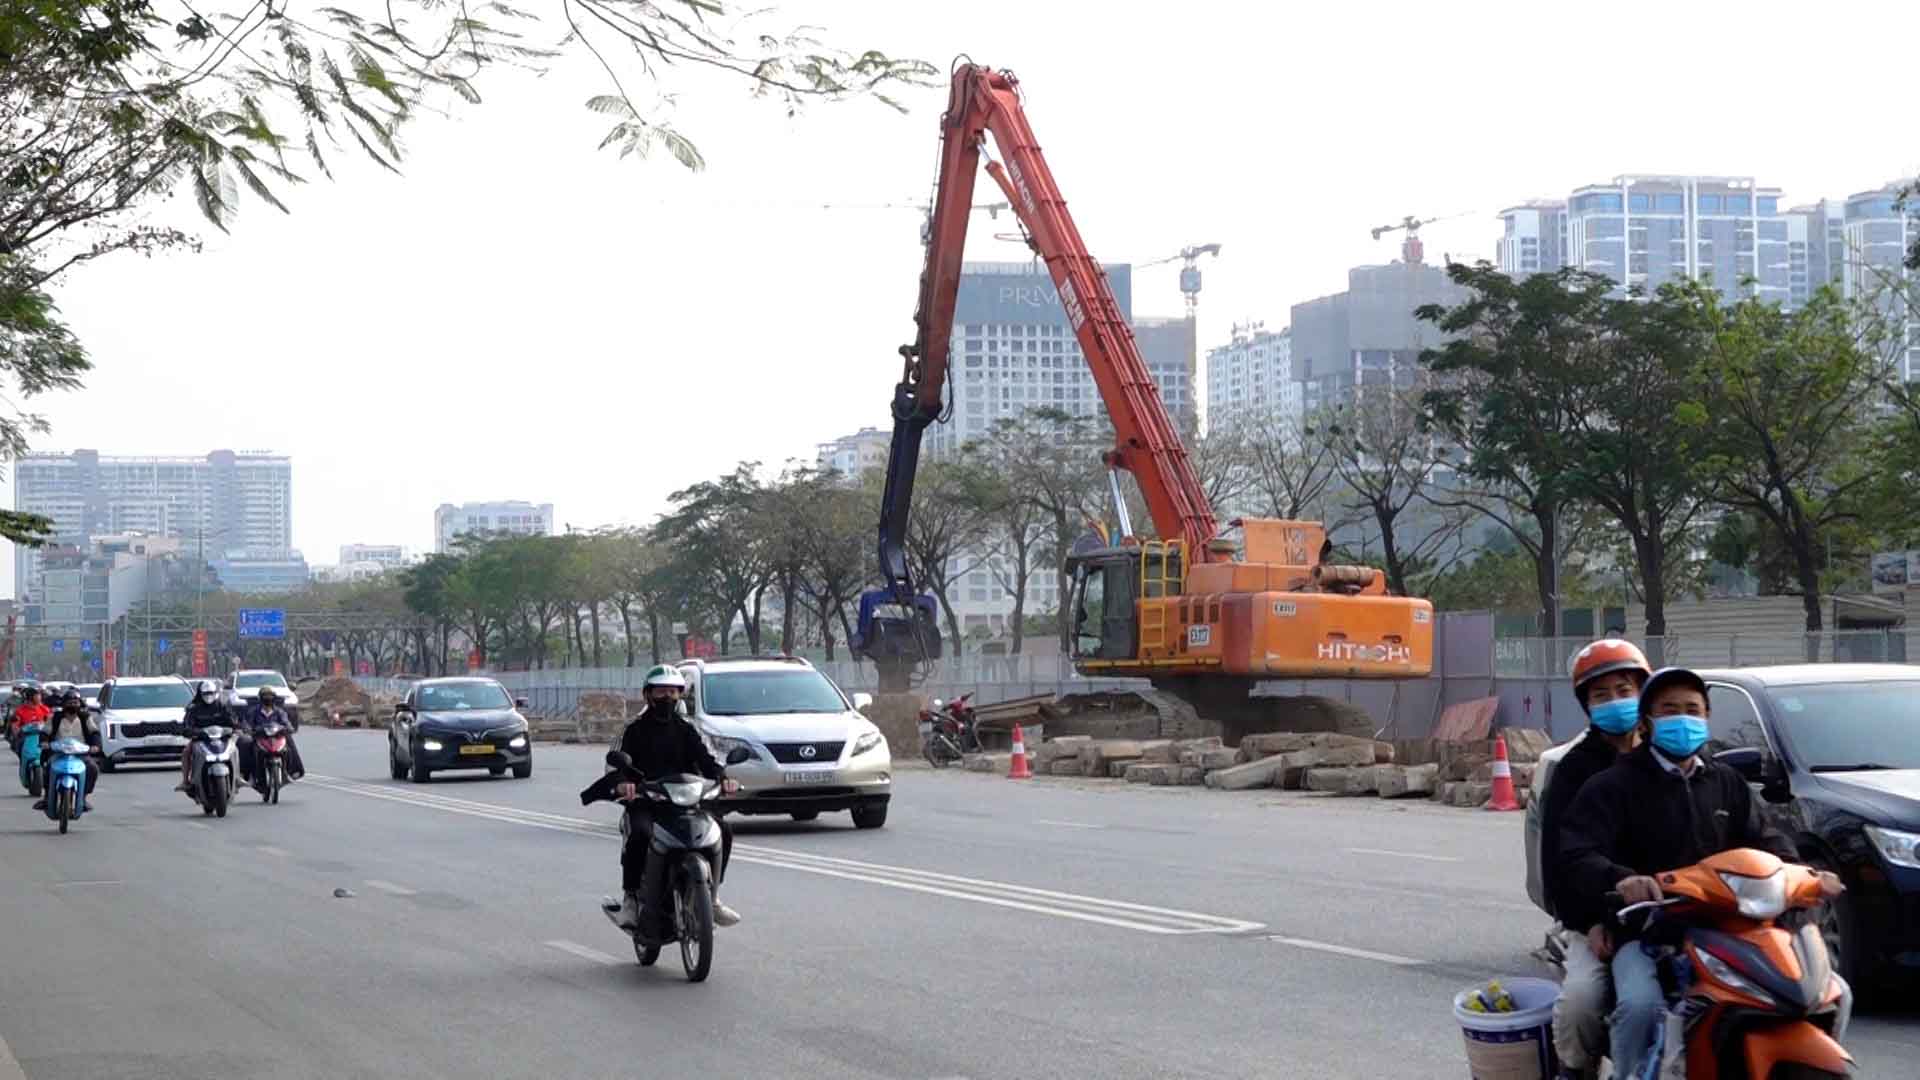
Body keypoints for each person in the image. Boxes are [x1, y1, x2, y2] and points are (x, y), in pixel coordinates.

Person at [1559, 667, 1843, 1077]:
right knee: (1641, 1008)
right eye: (1669, 709)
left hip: (1731, 928)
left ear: (1707, 717)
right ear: (1647, 721)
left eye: (1692, 709)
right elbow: (1578, 853)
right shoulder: (1613, 785)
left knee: (1824, 991)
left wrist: (1805, 875)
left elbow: (1768, 841)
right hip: (1648, 932)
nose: (1682, 718)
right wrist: (1621, 880)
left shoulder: (1727, 782)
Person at [1540, 639, 1652, 1079]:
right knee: (1583, 1002)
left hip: (1675, 912)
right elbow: (1559, 865)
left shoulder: (1672, 760)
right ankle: (1574, 1071)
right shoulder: (1576, 770)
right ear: (1586, 705)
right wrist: (1592, 921)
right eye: (1601, 695)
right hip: (1600, 921)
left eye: (1625, 690)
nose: (1616, 702)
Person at [589, 664, 740, 936]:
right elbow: (614, 767)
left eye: (673, 692)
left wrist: (722, 778)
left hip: (686, 803)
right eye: (661, 692)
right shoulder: (633, 730)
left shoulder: (688, 729)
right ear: (648, 695)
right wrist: (624, 784)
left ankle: (713, 897)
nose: (667, 698)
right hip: (647, 802)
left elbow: (708, 761)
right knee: (640, 835)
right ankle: (631, 900)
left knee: (723, 831)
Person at [31, 690, 99, 811]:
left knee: (93, 768)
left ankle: (83, 797)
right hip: (59, 753)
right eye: (70, 702)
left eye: (75, 702)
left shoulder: (85, 717)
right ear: (64, 704)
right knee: (48, 767)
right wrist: (44, 742)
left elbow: (94, 732)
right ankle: (47, 797)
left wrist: (95, 745)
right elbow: (45, 732)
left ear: (79, 704)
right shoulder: (55, 717)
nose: (73, 705)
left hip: (80, 754)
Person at [175, 679, 234, 793]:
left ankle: (237, 777)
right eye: (206, 693)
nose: (208, 696)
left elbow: (232, 719)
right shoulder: (193, 708)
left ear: (215, 693)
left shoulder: (221, 705)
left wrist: (237, 727)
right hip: (200, 739)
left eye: (211, 693)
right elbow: (187, 724)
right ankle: (186, 781)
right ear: (200, 694)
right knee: (186, 752)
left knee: (235, 749)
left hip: (222, 739)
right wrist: (189, 731)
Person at [238, 687, 305, 783]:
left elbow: (286, 722)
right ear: (261, 698)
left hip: (276, 737)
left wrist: (289, 728)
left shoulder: (279, 711)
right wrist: (248, 729)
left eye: (270, 696)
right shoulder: (254, 711)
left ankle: (294, 770)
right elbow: (247, 723)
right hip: (259, 737)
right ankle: (246, 774)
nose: (268, 698)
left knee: (289, 741)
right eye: (265, 696)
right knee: (244, 742)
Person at [8, 686, 50, 753]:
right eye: (37, 695)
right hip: (26, 738)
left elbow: (51, 721)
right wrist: (17, 731)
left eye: (39, 695)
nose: (40, 697)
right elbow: (15, 727)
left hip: (42, 737)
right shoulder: (20, 711)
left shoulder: (44, 709)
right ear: (31, 697)